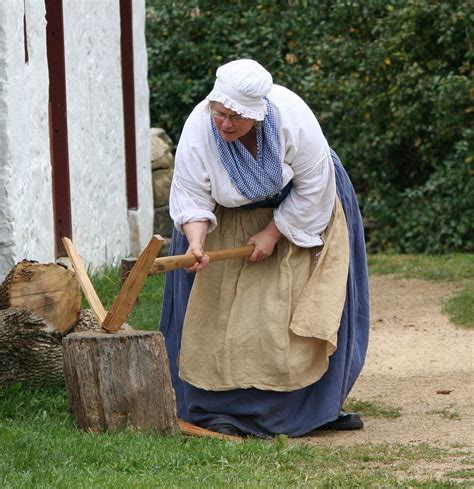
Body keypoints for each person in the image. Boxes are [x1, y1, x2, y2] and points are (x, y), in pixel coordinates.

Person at [159, 59, 370, 438]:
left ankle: (314, 409)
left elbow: (314, 187)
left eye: (236, 117)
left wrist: (274, 232)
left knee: (294, 310)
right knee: (220, 314)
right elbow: (191, 192)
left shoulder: (293, 119)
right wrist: (194, 243)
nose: (225, 123)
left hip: (305, 208)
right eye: (219, 113)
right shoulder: (199, 127)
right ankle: (214, 409)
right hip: (224, 217)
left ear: (257, 115)